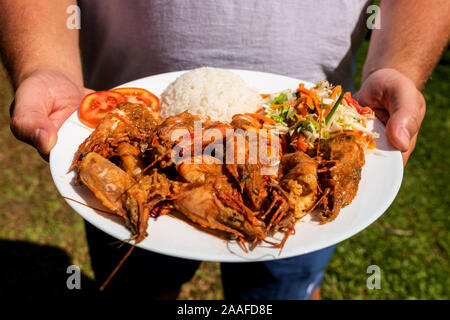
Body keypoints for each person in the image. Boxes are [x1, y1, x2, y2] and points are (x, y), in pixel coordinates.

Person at [1, 0, 448, 299]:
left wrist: (398, 66)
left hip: (299, 121)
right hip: (123, 93)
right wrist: (44, 62)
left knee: (281, 295)